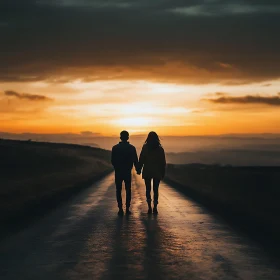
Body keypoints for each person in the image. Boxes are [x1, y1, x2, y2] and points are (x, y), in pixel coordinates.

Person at [138, 131, 166, 214]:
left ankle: (149, 207)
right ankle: (155, 207)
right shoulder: (160, 149)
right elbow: (163, 162)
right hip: (157, 171)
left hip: (147, 171)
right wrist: (163, 172)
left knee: (148, 189)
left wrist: (139, 168)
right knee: (156, 189)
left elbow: (141, 159)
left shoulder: (145, 147)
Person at [111, 130, 139, 216]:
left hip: (118, 172)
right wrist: (138, 169)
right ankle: (127, 208)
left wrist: (116, 167)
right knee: (128, 190)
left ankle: (120, 209)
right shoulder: (132, 148)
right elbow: (135, 160)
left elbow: (112, 161)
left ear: (120, 137)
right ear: (128, 137)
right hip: (127, 172)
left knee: (118, 190)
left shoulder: (115, 148)